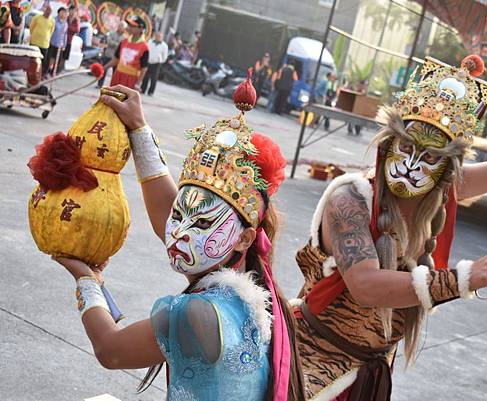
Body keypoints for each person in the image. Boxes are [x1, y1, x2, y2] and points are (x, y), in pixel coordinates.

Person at [290, 55, 487, 401]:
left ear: (446, 169)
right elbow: (366, 286)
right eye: (407, 148)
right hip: (309, 363)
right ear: (388, 145)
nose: (412, 165)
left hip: (371, 370)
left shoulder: (440, 191)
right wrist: (462, 279)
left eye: (430, 157)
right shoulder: (349, 199)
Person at [53, 84, 306, 401]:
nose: (179, 232)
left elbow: (111, 351)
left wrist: (86, 281)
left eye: (201, 222)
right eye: (179, 215)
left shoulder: (198, 312)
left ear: (244, 238)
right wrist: (139, 129)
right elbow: (176, 221)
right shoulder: (253, 288)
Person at [105, 16, 149, 89]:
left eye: (132, 26)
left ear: (141, 28)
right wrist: (103, 68)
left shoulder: (144, 47)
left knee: (125, 100)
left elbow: (144, 68)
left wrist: (138, 84)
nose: (129, 27)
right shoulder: (123, 42)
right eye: (129, 25)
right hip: (117, 76)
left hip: (131, 79)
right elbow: (116, 60)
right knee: (112, 98)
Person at [97, 21, 127, 88]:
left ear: (124, 28)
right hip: (108, 54)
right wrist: (117, 44)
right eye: (120, 25)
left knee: (115, 74)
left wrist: (115, 44)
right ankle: (99, 84)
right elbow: (109, 41)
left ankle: (114, 87)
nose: (120, 27)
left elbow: (122, 46)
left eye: (122, 26)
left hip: (116, 58)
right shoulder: (111, 33)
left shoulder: (125, 38)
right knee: (103, 70)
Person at [29, 4, 54, 74]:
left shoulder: (52, 21)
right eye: (48, 9)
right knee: (32, 60)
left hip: (44, 45)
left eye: (50, 11)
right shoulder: (37, 17)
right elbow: (31, 28)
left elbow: (51, 31)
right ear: (45, 9)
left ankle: (38, 75)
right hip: (34, 43)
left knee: (41, 62)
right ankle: (30, 73)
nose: (48, 12)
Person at [141, 31, 168, 96]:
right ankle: (143, 89)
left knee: (154, 78)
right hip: (148, 62)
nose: (158, 37)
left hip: (156, 63)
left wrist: (160, 60)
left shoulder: (164, 45)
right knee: (145, 77)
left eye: (159, 36)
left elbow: (165, 56)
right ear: (155, 36)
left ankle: (151, 92)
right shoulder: (150, 42)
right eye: (157, 36)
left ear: (162, 37)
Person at [46, 6, 68, 76]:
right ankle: (47, 71)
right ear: (58, 13)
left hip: (60, 45)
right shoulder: (53, 20)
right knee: (50, 58)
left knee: (56, 59)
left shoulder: (65, 24)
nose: (63, 14)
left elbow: (65, 35)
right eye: (62, 12)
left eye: (64, 13)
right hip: (52, 43)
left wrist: (64, 45)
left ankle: (53, 72)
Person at [61, 5, 80, 70]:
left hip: (69, 41)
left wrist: (68, 27)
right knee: (59, 55)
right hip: (62, 40)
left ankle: (60, 69)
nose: (72, 12)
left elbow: (77, 30)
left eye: (74, 11)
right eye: (71, 11)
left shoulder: (76, 20)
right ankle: (55, 69)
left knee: (65, 57)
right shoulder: (66, 18)